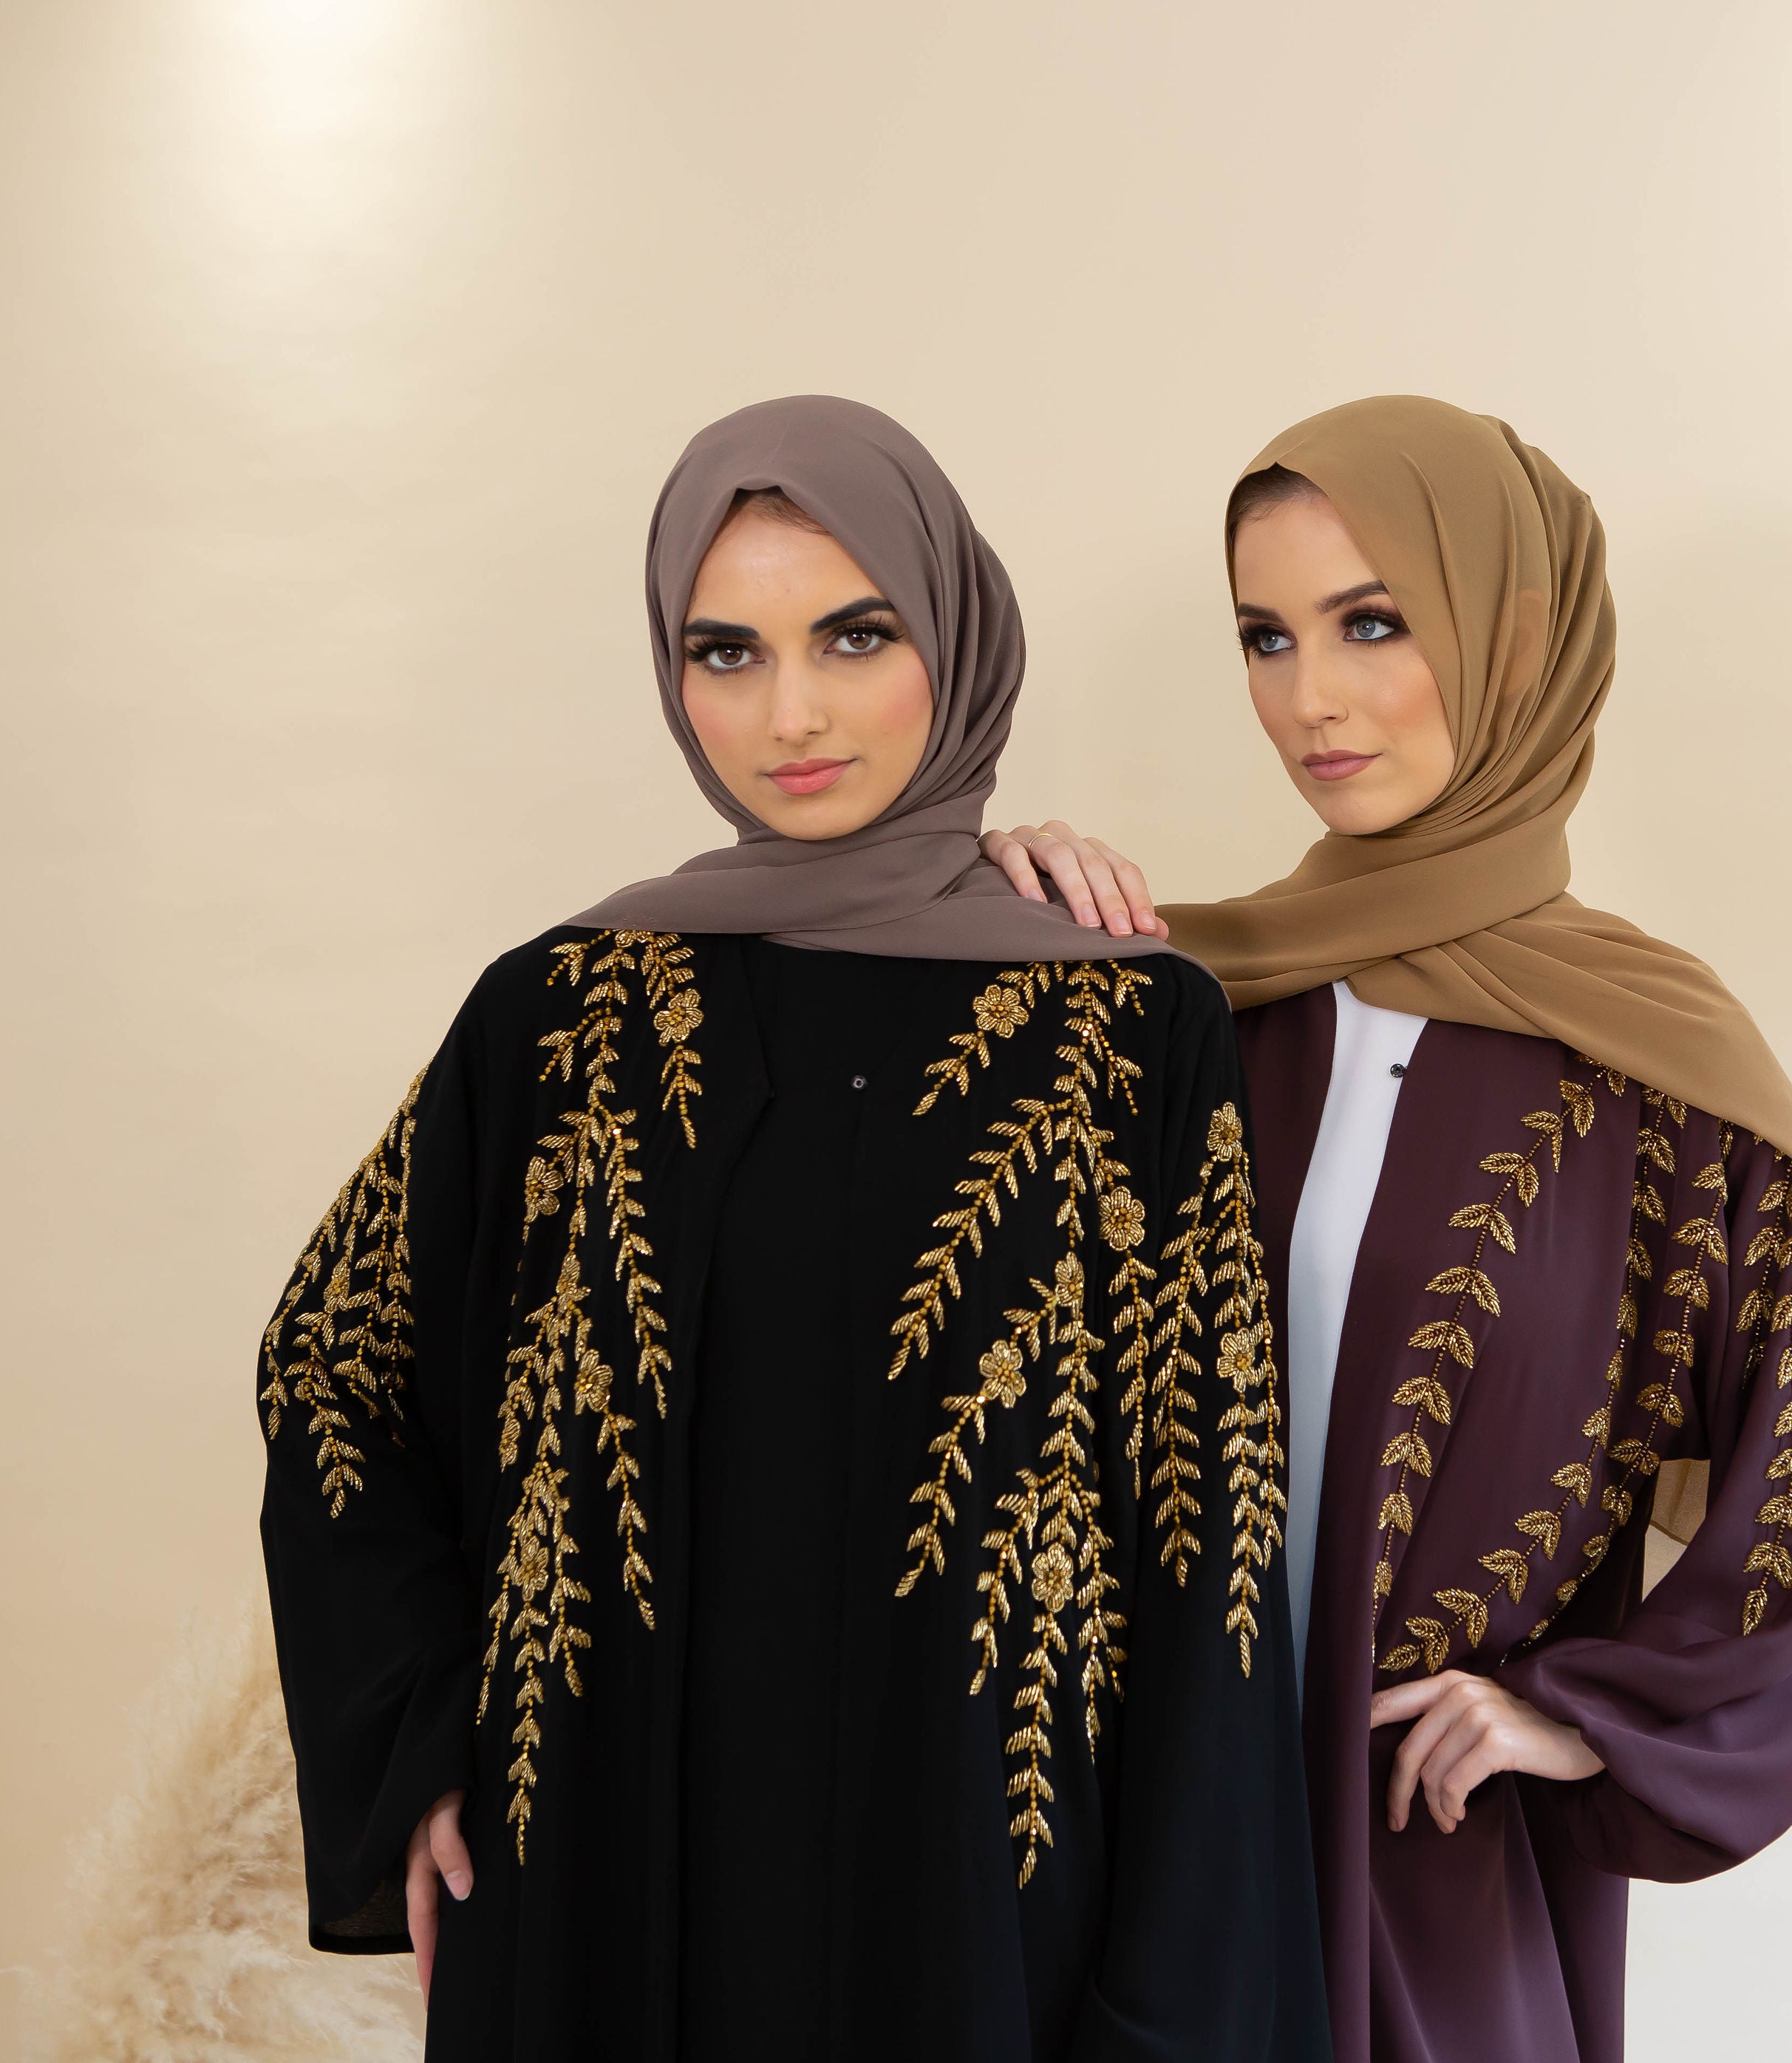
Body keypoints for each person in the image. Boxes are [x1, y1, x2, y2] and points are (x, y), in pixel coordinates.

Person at [257, 396, 1329, 2062]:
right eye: (728, 653)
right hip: (603, 1877)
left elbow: (1213, 1541)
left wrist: (1179, 1994)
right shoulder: (560, 1018)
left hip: (981, 1908)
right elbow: (335, 1362)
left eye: (855, 635)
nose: (793, 715)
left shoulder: (1124, 1032)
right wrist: (424, 1749)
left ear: (954, 636)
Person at [984, 395, 1792, 2063]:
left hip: (1432, 1866)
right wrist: (972, 899)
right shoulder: (1187, 1008)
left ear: (1516, 641)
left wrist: (1585, 1715)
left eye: (1372, 622)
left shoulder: (1654, 1066)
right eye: (1266, 637)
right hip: (1138, 1867)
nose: (1310, 699)